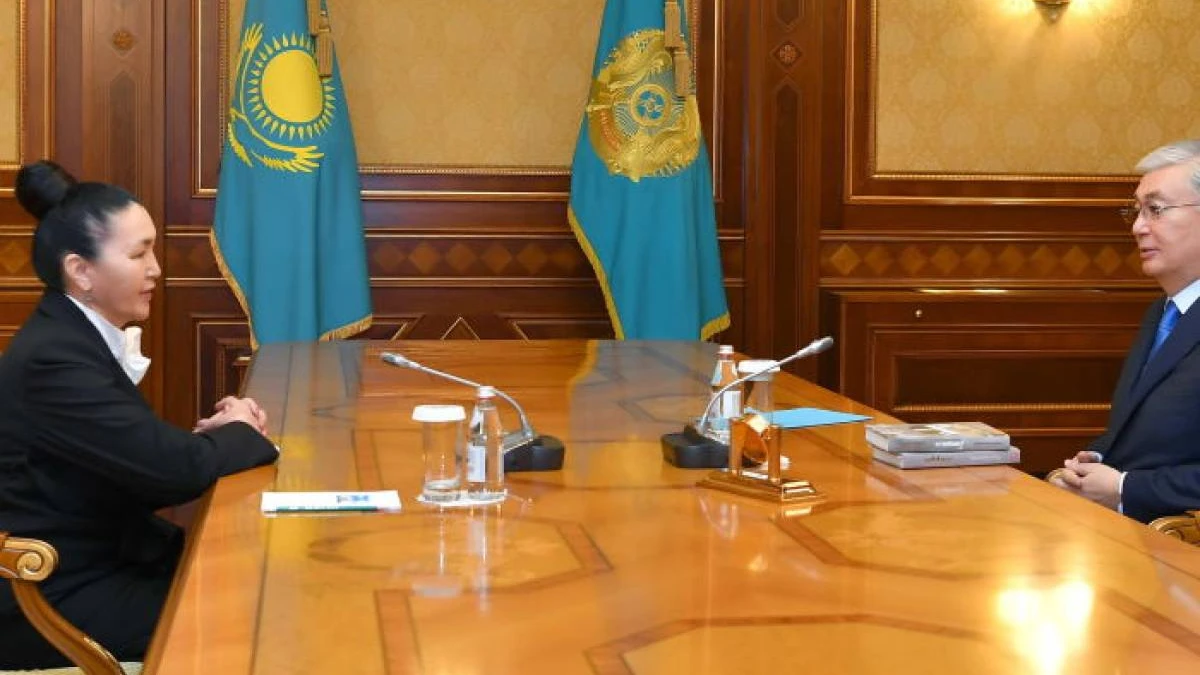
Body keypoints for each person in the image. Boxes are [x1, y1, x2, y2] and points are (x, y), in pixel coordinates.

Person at [0, 161, 279, 669]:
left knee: (260, 580)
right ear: (81, 271)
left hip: (106, 560)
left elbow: (137, 462)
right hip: (48, 591)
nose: (155, 269)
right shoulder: (53, 360)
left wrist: (204, 443)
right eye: (138, 253)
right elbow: (173, 472)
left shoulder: (68, 335)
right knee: (250, 618)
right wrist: (238, 429)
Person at [1052, 140, 1200, 523]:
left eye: (1156, 210)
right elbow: (1151, 432)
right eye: (1136, 211)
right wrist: (1098, 458)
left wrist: (1124, 488)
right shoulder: (1162, 312)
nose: (1137, 227)